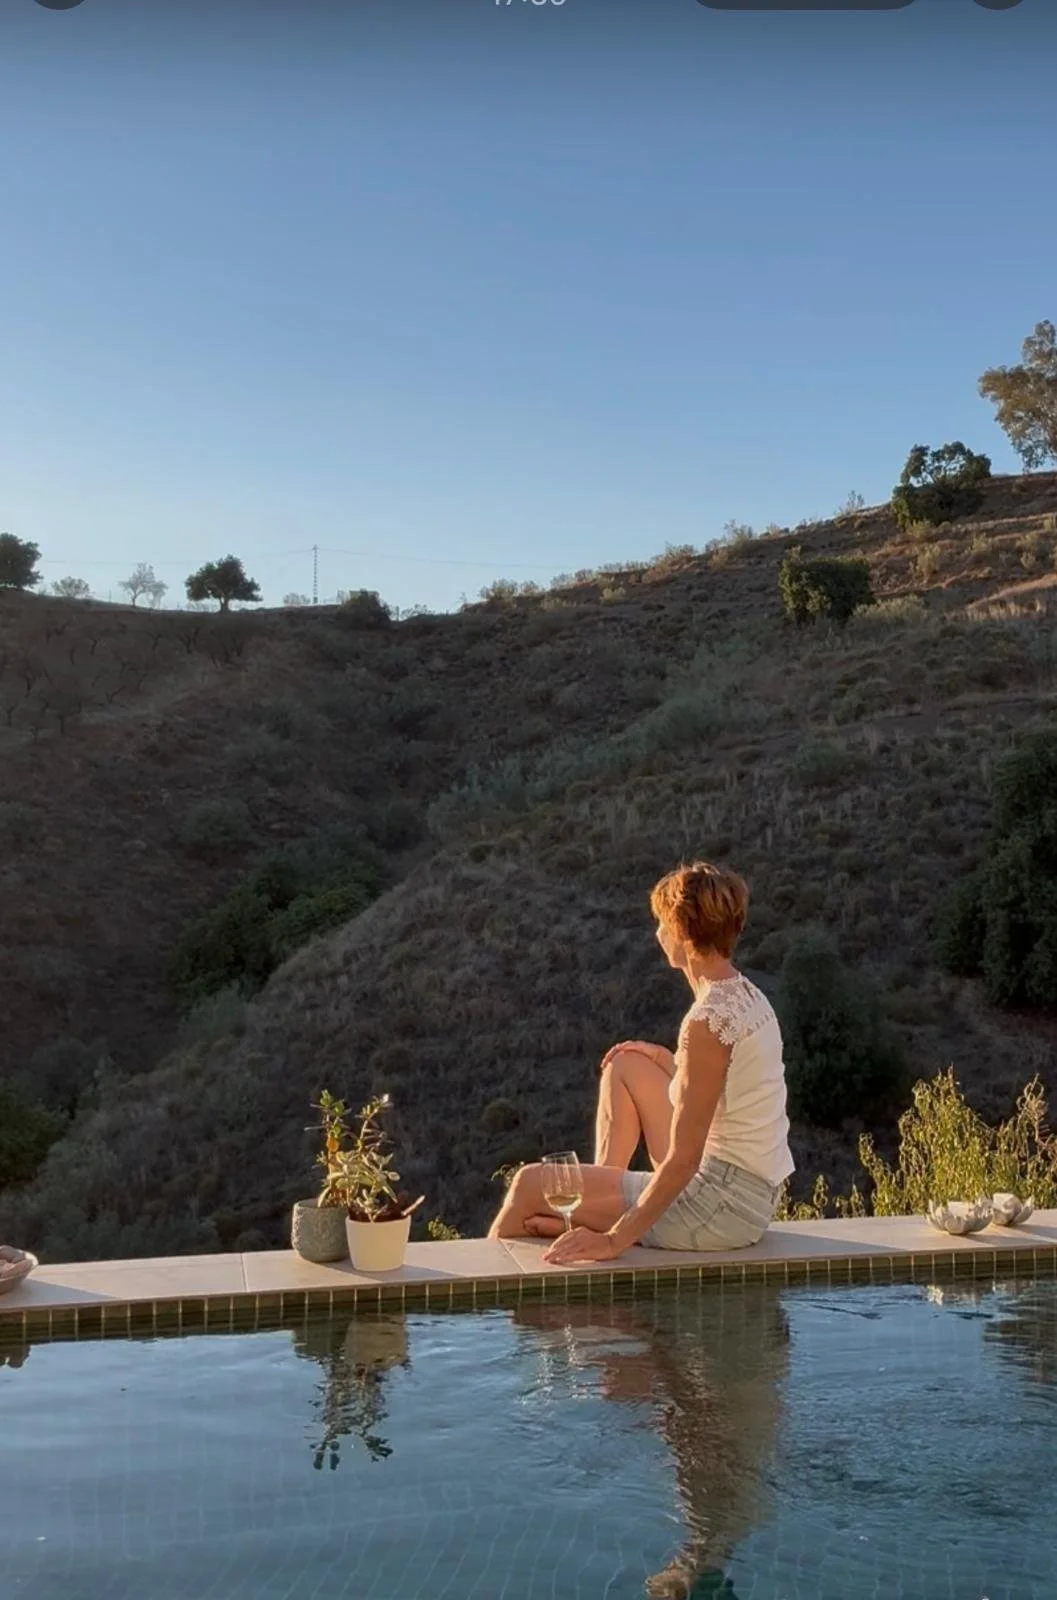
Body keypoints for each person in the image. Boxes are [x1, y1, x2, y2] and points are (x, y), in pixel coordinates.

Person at [488, 861, 794, 1263]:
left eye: (663, 924)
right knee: (628, 1066)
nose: (658, 934)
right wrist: (669, 1060)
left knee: (529, 1185)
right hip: (750, 1196)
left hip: (716, 1207)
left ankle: (485, 1313)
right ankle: (586, 1212)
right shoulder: (747, 998)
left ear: (683, 933)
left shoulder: (704, 1023)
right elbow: (727, 1089)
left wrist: (613, 1240)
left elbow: (683, 1160)